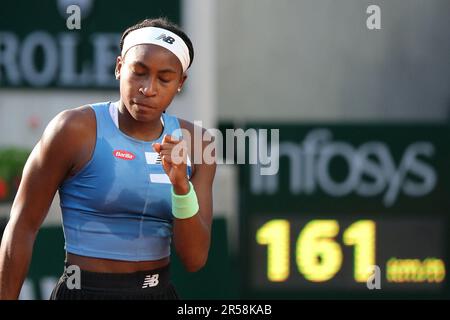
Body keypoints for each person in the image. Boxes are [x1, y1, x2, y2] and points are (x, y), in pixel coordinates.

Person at [0, 17, 216, 300]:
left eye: (164, 78)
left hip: (159, 293)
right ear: (118, 68)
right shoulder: (72, 129)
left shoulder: (198, 143)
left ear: (180, 82)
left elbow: (195, 259)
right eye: (139, 72)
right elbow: (23, 224)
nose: (148, 88)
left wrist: (180, 187)